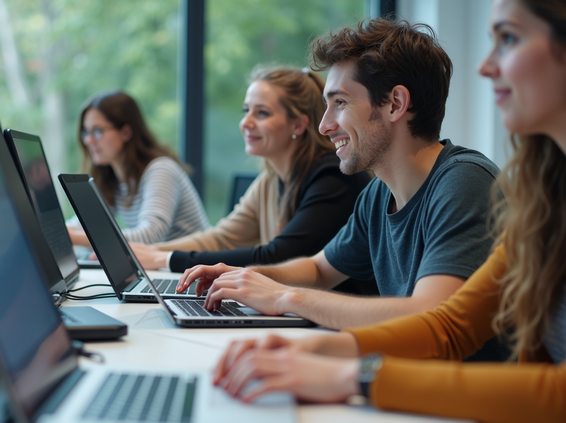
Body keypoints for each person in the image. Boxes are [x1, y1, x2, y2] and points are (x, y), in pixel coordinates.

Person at [209, 1, 566, 421]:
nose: (485, 66)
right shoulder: (550, 199)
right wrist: (310, 349)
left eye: (508, 38)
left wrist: (353, 376)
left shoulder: (468, 181)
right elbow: (448, 326)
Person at [175, 18, 504, 343]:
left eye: (340, 103)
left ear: (396, 104)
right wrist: (246, 278)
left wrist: (283, 297)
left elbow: (427, 317)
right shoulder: (378, 194)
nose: (324, 126)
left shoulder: (464, 181)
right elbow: (319, 270)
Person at [131, 66, 372, 291]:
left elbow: (277, 256)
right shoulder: (270, 180)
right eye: (246, 110)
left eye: (262, 113)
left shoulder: (332, 177)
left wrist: (164, 259)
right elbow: (222, 238)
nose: (246, 123)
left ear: (298, 125)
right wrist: (150, 252)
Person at [66, 91, 210, 244]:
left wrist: (74, 239)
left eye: (97, 131)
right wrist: (58, 231)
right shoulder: (113, 180)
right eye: (85, 132)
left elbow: (150, 235)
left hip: (193, 265)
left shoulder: (161, 169)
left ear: (126, 132)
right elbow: (82, 224)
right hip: (162, 266)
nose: (88, 140)